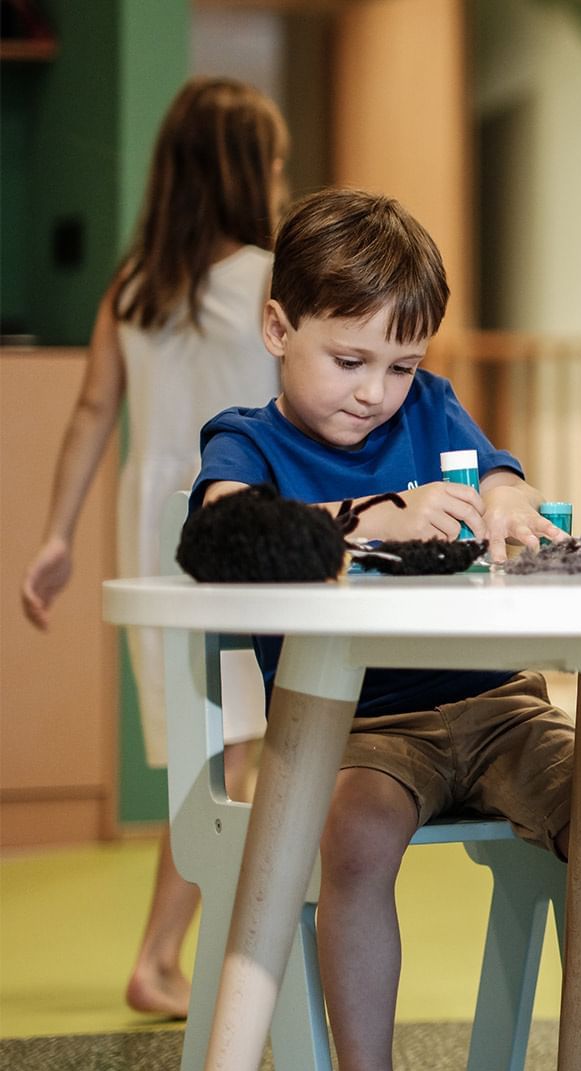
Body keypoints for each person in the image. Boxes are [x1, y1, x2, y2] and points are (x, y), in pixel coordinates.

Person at [190, 189, 581, 1071]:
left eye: (400, 366)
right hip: (355, 725)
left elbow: (502, 477)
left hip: (500, 707)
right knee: (355, 838)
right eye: (349, 359)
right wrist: (376, 514)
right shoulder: (247, 441)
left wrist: (508, 495)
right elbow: (221, 532)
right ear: (277, 327)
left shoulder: (430, 408)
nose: (375, 393)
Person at [16, 75, 285, 1019]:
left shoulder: (131, 289)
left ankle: (187, 951)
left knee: (210, 754)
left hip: (155, 541)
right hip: (242, 531)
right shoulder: (268, 278)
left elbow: (94, 412)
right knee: (235, 756)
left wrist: (55, 536)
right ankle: (174, 954)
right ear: (246, 174)